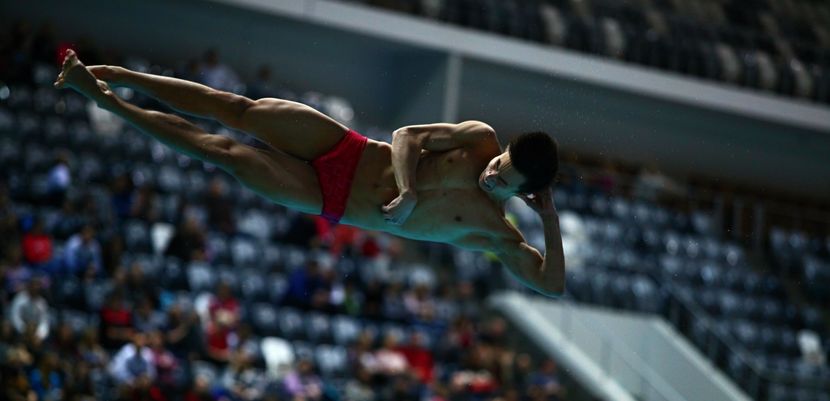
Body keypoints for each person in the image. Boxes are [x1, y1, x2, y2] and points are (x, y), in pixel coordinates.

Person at [55, 50, 565, 296]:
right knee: (234, 107)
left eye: (504, 181)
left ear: (525, 194)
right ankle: (119, 75)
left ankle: (100, 98)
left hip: (326, 197)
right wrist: (408, 191)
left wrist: (550, 222)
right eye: (499, 164)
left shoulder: (493, 233)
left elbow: (551, 285)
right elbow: (408, 135)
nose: (492, 174)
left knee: (221, 153)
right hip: (345, 147)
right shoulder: (478, 137)